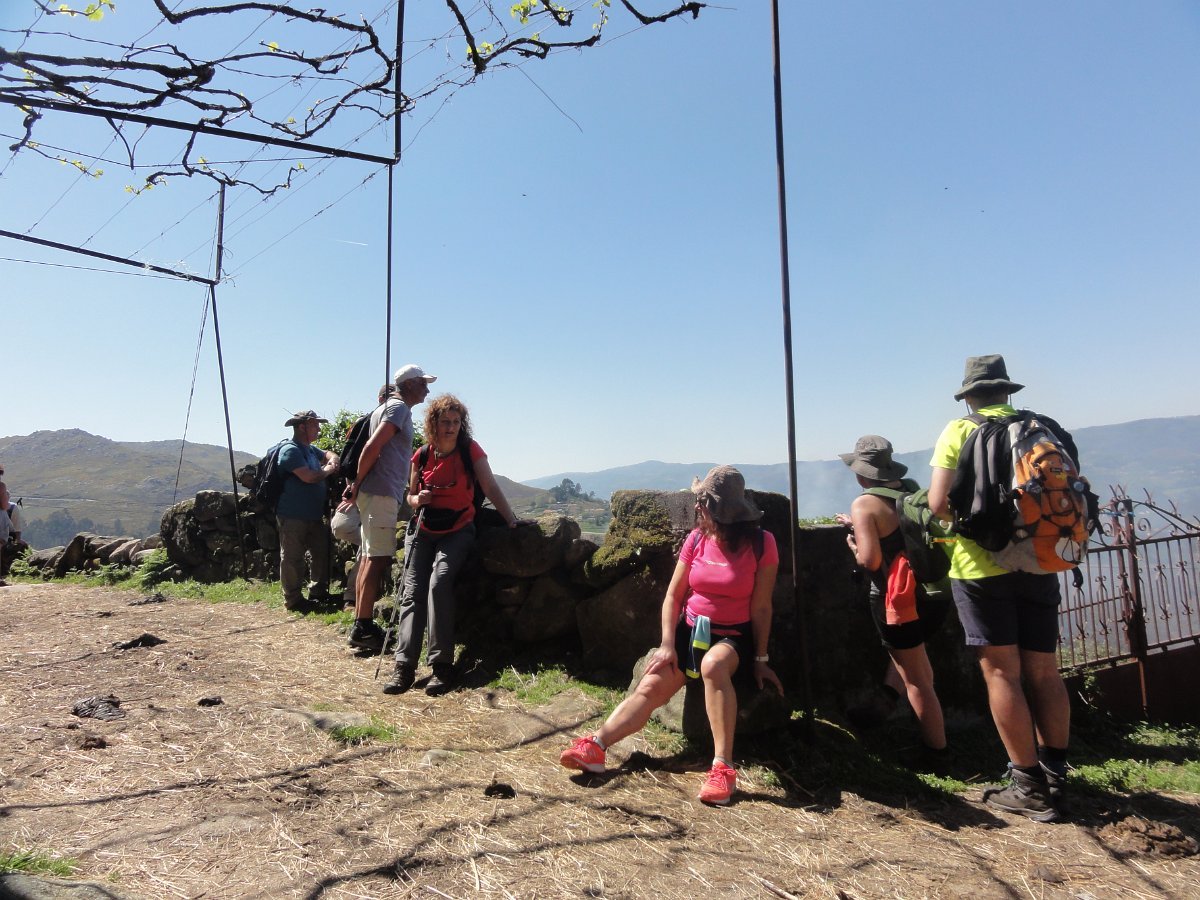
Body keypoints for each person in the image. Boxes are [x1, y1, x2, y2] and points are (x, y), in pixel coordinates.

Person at [559, 466, 783, 806]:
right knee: (650, 685)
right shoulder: (697, 539)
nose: (697, 507)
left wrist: (761, 659)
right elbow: (673, 596)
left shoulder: (762, 544)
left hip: (732, 636)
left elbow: (762, 607)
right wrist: (666, 645)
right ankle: (596, 746)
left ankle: (723, 769)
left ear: (717, 508)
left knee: (713, 666)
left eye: (702, 502)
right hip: (690, 631)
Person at [928, 355, 1072, 822]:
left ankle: (1027, 785)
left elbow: (938, 503)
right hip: (1039, 560)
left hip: (980, 569)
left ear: (969, 396)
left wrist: (977, 521)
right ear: (1007, 391)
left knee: (1002, 674)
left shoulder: (959, 430)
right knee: (1045, 671)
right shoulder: (1041, 428)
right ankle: (1056, 774)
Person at [383, 393, 521, 697]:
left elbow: (489, 485)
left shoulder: (470, 450)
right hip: (423, 528)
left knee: (440, 582)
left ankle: (441, 665)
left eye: (456, 422)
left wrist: (511, 520)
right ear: (433, 423)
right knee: (412, 591)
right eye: (445, 422)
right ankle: (404, 666)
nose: (451, 427)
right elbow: (410, 496)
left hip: (458, 529)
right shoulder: (422, 455)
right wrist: (417, 499)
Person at [836, 435, 948, 767]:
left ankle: (937, 753)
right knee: (916, 665)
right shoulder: (911, 491)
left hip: (899, 601)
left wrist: (855, 546)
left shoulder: (864, 505)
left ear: (861, 473)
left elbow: (870, 560)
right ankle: (882, 705)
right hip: (934, 594)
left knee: (919, 681)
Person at [345, 364, 434, 652]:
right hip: (381, 491)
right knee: (377, 559)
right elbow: (372, 447)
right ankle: (363, 626)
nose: (427, 390)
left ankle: (361, 623)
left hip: (375, 491)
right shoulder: (398, 409)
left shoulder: (386, 408)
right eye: (422, 383)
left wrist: (358, 484)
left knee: (369, 557)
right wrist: (358, 481)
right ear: (409, 385)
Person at [276, 410, 340, 613]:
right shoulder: (290, 451)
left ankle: (318, 592)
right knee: (292, 557)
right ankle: (293, 599)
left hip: (313, 514)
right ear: (302, 427)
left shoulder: (310, 450)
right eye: (315, 425)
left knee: (321, 552)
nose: (319, 429)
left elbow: (329, 455)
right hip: (292, 514)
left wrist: (333, 459)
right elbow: (309, 477)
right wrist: (329, 469)